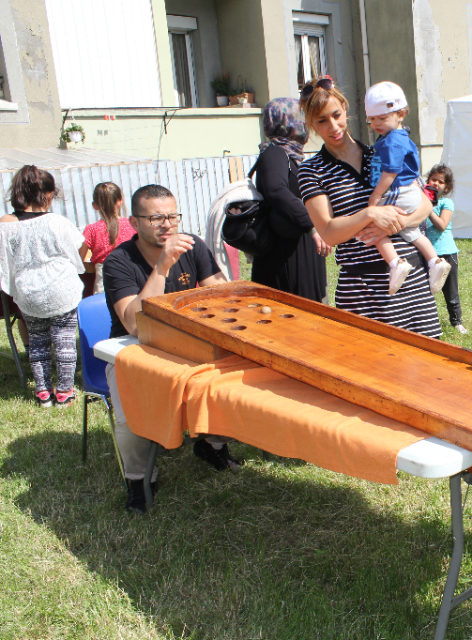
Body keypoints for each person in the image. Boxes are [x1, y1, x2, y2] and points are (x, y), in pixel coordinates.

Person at [102, 184, 235, 513]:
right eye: (156, 217)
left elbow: (223, 294)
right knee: (127, 414)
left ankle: (211, 445)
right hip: (134, 350)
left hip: (187, 346)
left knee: (231, 385)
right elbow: (133, 323)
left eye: (172, 216)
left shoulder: (193, 246)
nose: (167, 225)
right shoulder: (119, 261)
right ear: (134, 223)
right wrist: (162, 266)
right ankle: (138, 479)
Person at [298, 77, 442, 338]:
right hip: (363, 291)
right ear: (311, 124)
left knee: (428, 374)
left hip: (414, 282)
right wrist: (370, 214)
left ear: (345, 109)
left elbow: (425, 203)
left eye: (336, 115)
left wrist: (398, 222)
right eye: (322, 120)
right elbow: (329, 233)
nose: (333, 126)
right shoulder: (311, 170)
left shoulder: (382, 149)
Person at [0, 165, 87, 408]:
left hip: (28, 293)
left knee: (37, 340)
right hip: (61, 289)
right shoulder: (57, 222)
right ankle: (64, 393)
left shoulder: (5, 224)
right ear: (47, 194)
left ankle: (42, 393)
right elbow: (80, 248)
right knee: (65, 340)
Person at [364, 81, 450, 295]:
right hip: (409, 193)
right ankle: (434, 261)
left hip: (396, 191)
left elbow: (390, 172)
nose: (377, 124)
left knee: (372, 224)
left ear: (400, 114)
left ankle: (395, 263)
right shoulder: (400, 137)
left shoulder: (393, 141)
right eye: (372, 119)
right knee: (411, 231)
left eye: (382, 118)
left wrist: (375, 196)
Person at [250, 97, 330, 302]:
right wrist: (311, 225)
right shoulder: (275, 153)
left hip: (298, 251)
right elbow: (275, 190)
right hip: (285, 258)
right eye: (302, 118)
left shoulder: (290, 157)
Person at [424, 164, 467, 334]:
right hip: (428, 254)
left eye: (440, 182)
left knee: (451, 290)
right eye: (433, 179)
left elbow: (442, 225)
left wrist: (428, 210)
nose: (436, 183)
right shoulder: (421, 201)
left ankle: (457, 322)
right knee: (427, 290)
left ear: (446, 187)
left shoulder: (446, 202)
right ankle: (427, 320)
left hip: (447, 252)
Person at [83, 182, 136, 294]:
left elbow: (79, 258)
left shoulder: (91, 230)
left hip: (104, 281)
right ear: (120, 202)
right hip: (131, 275)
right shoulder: (133, 225)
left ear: (95, 205)